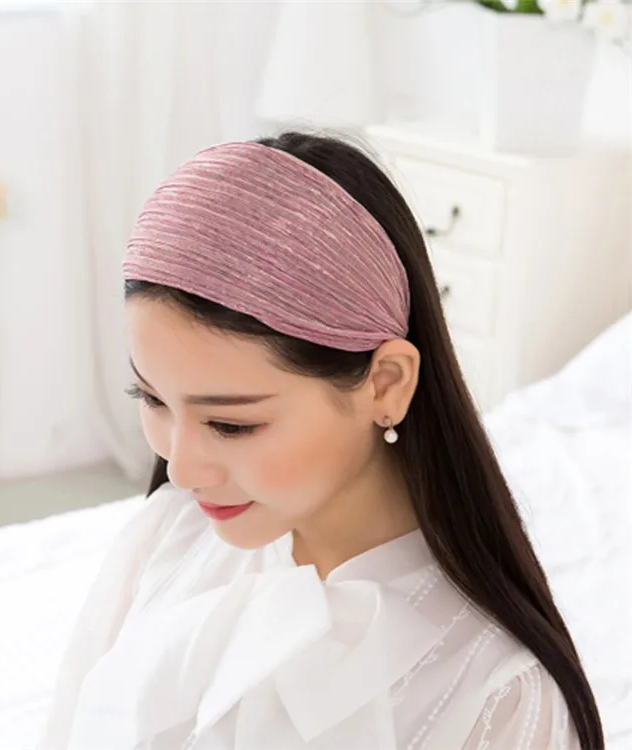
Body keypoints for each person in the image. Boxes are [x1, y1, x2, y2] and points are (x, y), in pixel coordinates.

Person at [38, 132, 603, 750]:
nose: (181, 471)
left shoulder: (498, 695)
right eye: (151, 399)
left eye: (231, 424)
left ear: (385, 384)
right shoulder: (171, 536)